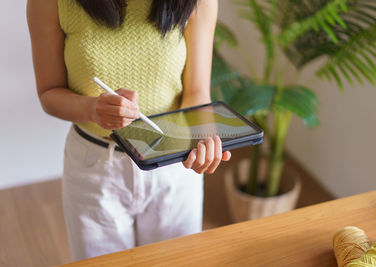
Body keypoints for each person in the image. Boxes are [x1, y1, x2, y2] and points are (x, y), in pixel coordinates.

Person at [27, 0, 231, 261]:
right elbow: (49, 92)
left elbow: (196, 91)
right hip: (96, 169)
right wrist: (93, 110)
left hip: (174, 163)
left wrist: (205, 139)